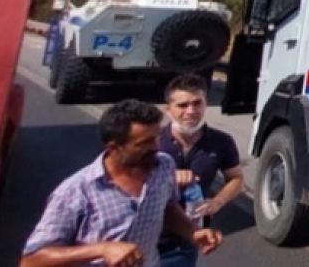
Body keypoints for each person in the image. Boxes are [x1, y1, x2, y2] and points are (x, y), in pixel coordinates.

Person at [21, 99, 222, 267]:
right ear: (113, 147)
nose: (155, 147)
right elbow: (32, 260)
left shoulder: (163, 165)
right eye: (143, 143)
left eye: (156, 138)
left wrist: (193, 232)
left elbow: (167, 207)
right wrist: (102, 249)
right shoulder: (76, 191)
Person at [156, 74, 244, 266]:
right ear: (168, 109)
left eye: (197, 103)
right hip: (149, 235)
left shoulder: (222, 141)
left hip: (186, 241)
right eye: (182, 105)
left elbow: (236, 178)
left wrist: (218, 202)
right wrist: (168, 177)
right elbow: (125, 182)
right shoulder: (152, 141)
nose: (191, 111)